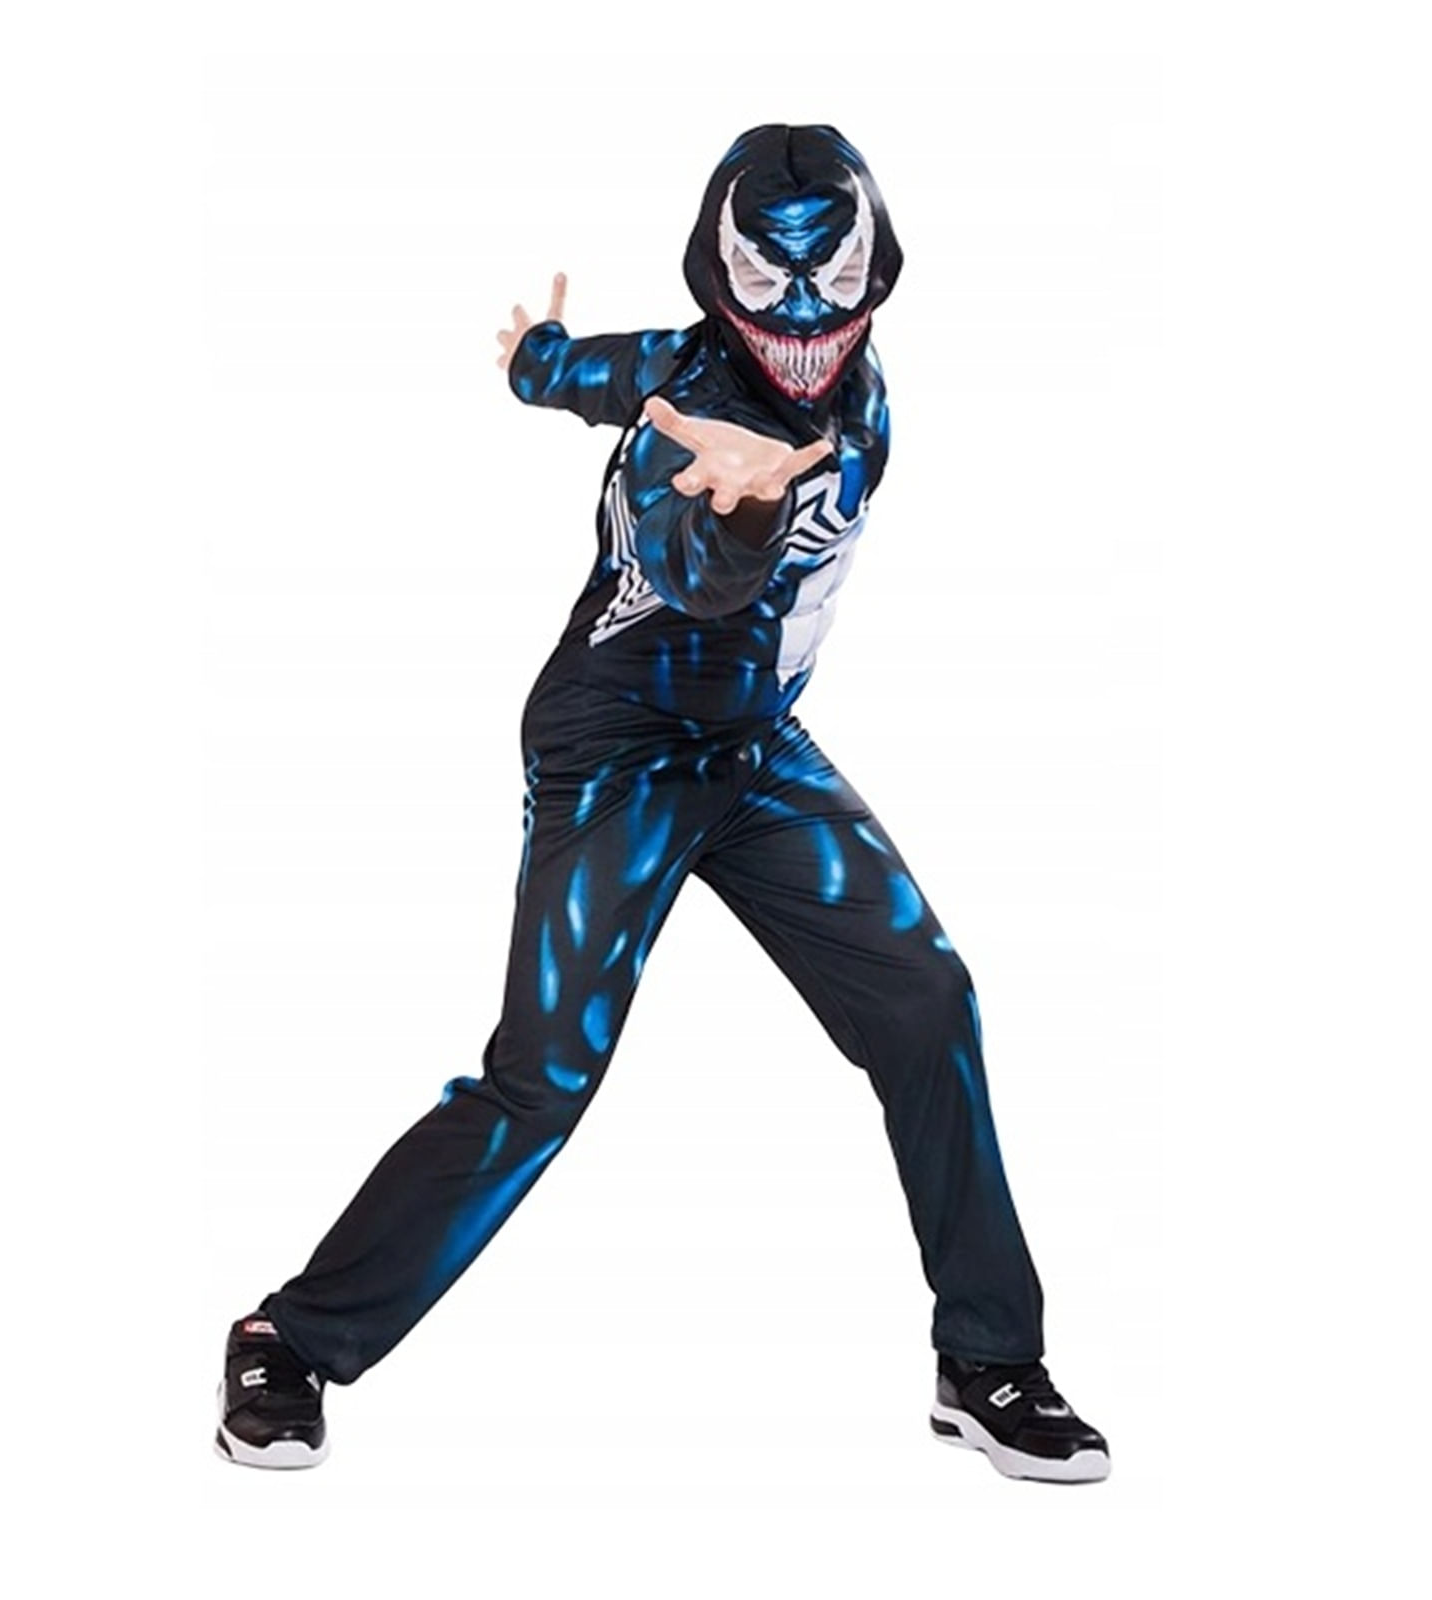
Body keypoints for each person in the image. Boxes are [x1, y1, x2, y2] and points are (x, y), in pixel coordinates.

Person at [215, 124, 1110, 1484]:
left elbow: (593, 372)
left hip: (754, 749)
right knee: (543, 1077)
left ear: (875, 276)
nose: (801, 326)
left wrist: (537, 358)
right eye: (769, 288)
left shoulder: (793, 376)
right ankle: (290, 1335)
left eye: (831, 286)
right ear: (720, 278)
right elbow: (698, 571)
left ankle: (987, 1358)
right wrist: (738, 506)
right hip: (619, 750)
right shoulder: (689, 431)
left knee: (928, 1002)